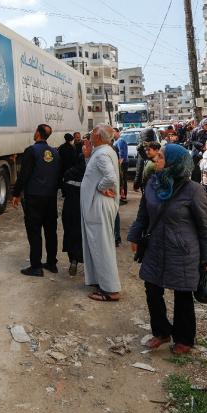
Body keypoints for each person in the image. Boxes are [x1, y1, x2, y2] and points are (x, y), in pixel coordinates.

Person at [127, 144, 207, 354]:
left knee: (182, 295)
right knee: (152, 291)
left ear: (174, 163)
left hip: (183, 251)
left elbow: (205, 226)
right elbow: (143, 215)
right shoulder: (152, 184)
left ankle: (184, 338)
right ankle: (161, 332)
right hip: (155, 247)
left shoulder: (193, 190)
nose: (155, 160)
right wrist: (134, 236)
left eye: (160, 157)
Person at [10, 123, 61, 277]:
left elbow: (24, 175)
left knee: (34, 231)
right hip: (51, 198)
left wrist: (16, 193)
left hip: (34, 197)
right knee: (51, 231)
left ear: (38, 133)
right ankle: (52, 263)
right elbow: (58, 175)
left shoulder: (31, 151)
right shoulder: (55, 153)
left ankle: (36, 266)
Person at [80, 125, 122, 301]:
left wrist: (100, 187)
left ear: (97, 136)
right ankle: (101, 281)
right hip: (98, 204)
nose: (89, 136)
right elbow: (94, 172)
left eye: (91, 134)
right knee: (97, 244)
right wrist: (88, 156)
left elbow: (110, 177)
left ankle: (110, 290)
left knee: (102, 246)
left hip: (99, 205)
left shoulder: (103, 153)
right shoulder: (102, 151)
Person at [60, 137, 87, 276]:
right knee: (84, 235)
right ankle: (86, 262)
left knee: (70, 233)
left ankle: (73, 260)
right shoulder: (90, 175)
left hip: (70, 208)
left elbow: (64, 190)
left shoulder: (68, 173)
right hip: (85, 209)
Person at [113, 128, 129, 204]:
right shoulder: (116, 141)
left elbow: (122, 155)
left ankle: (124, 197)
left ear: (118, 132)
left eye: (113, 132)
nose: (112, 134)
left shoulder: (121, 141)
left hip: (122, 164)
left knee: (122, 180)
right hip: (120, 164)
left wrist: (118, 165)